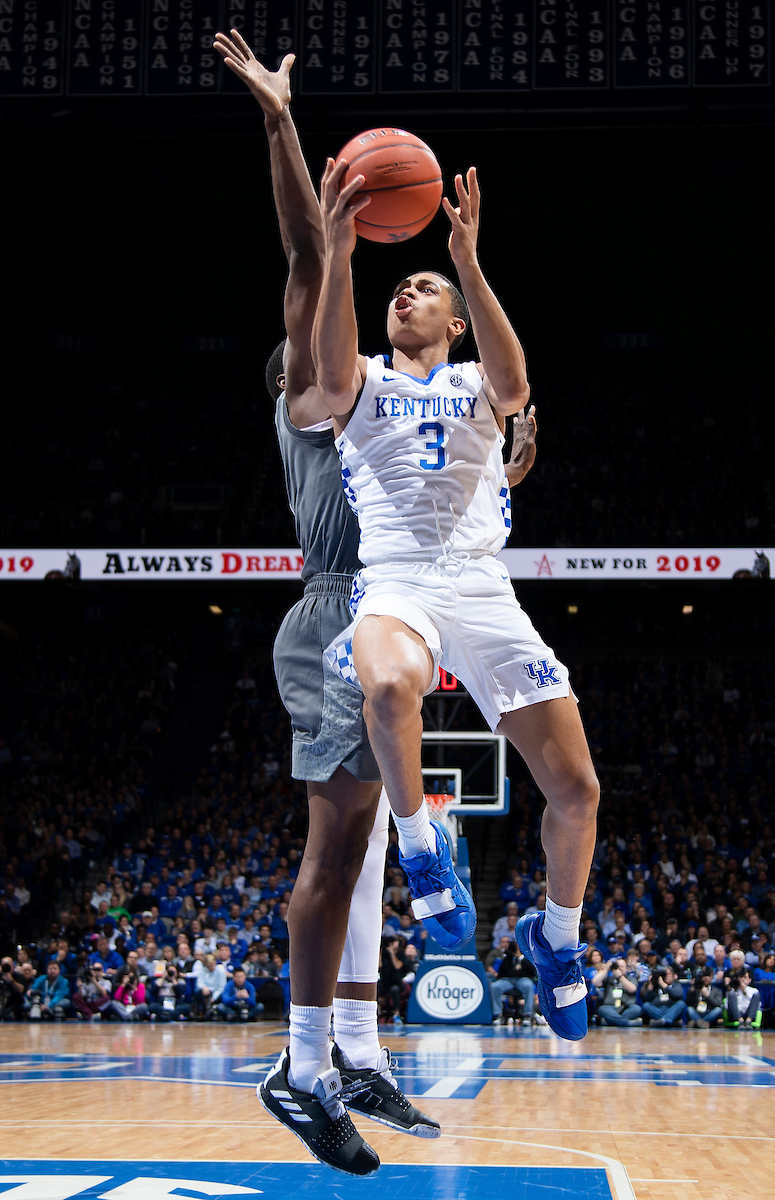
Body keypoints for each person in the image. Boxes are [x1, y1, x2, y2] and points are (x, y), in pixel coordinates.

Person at [212, 29, 537, 1178]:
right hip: (342, 608)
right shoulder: (319, 386)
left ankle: (345, 1047)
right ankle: (308, 1062)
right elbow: (307, 252)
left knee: (352, 848)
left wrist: (496, 460)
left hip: (396, 602)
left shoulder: (406, 403)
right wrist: (282, 124)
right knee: (339, 843)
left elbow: (468, 435)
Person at [313, 150, 599, 1045]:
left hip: (480, 588)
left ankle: (558, 938)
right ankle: (420, 842)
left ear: (457, 318)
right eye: (402, 284)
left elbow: (516, 385)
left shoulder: (481, 383)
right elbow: (322, 365)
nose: (408, 294)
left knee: (579, 792)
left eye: (425, 285)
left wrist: (467, 260)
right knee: (391, 687)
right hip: (395, 579)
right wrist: (337, 247)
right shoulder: (361, 380)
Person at [490, 938, 538, 1026]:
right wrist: (510, 956)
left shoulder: (527, 956)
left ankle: (527, 1014)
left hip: (523, 979)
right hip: (508, 980)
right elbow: (502, 971)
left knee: (528, 986)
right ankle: (498, 1015)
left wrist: (521, 958)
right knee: (495, 987)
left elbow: (532, 971)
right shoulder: (508, 957)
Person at [595, 958, 642, 1027]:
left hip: (626, 1007)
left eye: (622, 966)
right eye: (617, 966)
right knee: (602, 1009)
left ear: (627, 969)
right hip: (610, 1007)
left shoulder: (631, 978)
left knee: (637, 1009)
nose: (619, 968)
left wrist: (620, 977)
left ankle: (610, 1021)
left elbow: (632, 989)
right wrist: (606, 969)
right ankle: (628, 1023)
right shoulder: (609, 978)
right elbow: (595, 982)